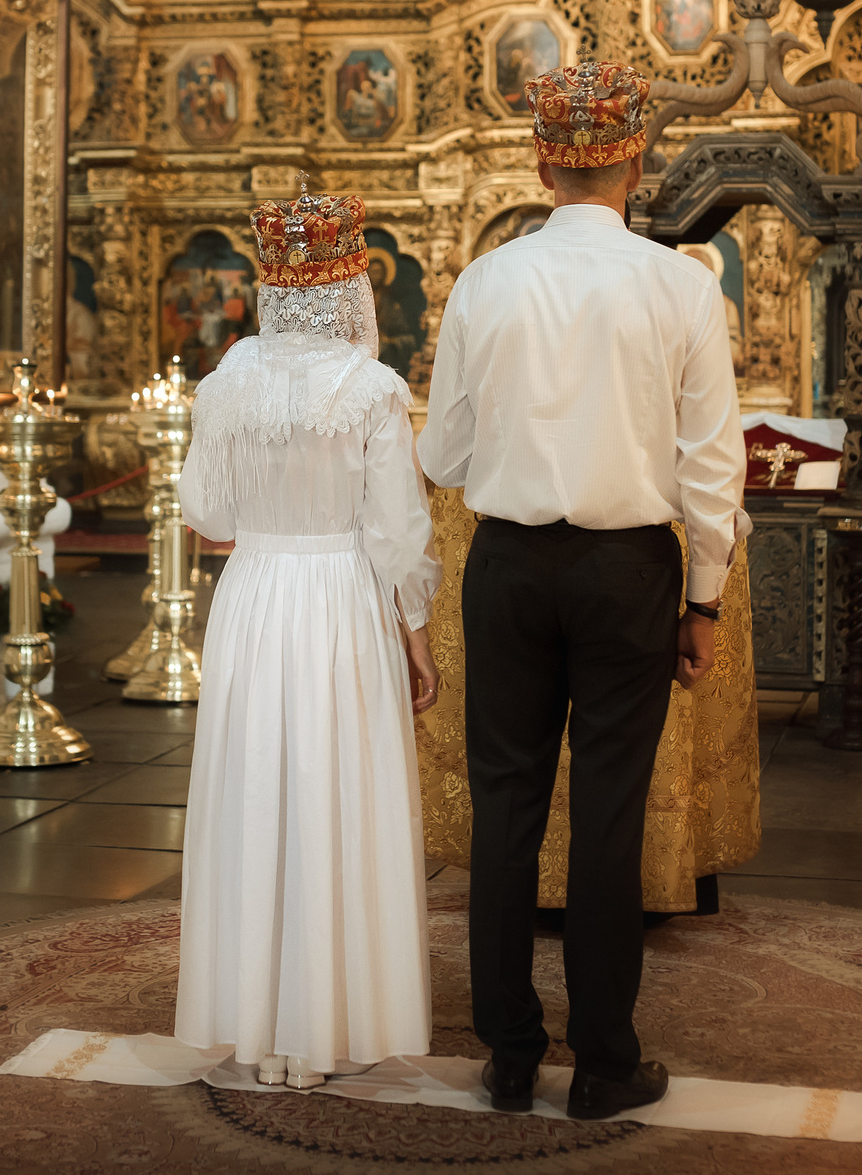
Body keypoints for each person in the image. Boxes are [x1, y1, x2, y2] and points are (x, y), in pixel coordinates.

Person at [420, 60, 743, 1122]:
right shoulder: (683, 284)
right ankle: (606, 1059)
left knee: (506, 804)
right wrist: (702, 599)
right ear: (635, 161)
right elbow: (710, 465)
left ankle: (509, 1053)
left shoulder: (485, 280)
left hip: (508, 561)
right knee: (607, 811)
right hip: (627, 570)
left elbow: (450, 453)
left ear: (539, 158)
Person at [175, 187, 442, 1092]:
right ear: (348, 292)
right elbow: (397, 533)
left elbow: (205, 511)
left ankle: (255, 1019)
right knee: (336, 787)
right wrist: (416, 635)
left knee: (257, 789)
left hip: (252, 597)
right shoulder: (372, 387)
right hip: (340, 600)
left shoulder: (224, 382)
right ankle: (329, 1018)